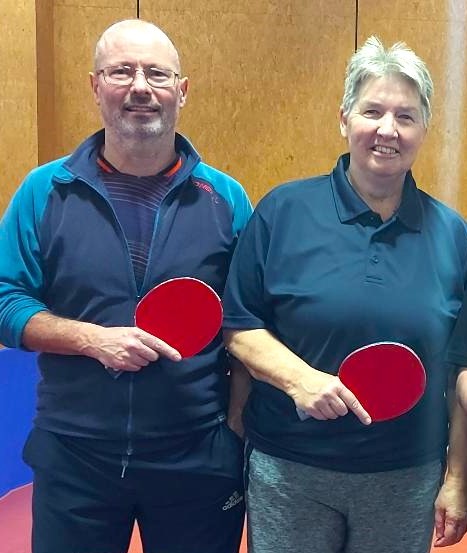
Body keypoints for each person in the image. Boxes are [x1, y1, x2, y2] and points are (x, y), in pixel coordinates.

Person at [0, 19, 252, 553]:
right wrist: (92, 339)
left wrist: (233, 423)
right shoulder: (44, 191)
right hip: (75, 455)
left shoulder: (227, 199)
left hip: (197, 455)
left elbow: (248, 320)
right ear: (96, 87)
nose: (140, 86)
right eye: (121, 71)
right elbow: (5, 300)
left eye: (157, 74)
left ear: (182, 90)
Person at [223, 36, 467, 553]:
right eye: (372, 111)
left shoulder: (453, 234)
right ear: (344, 119)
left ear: (424, 129)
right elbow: (240, 326)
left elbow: (459, 368)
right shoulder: (283, 211)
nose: (387, 130)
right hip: (291, 468)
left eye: (406, 116)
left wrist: (457, 478)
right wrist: (301, 380)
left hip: (406, 474)